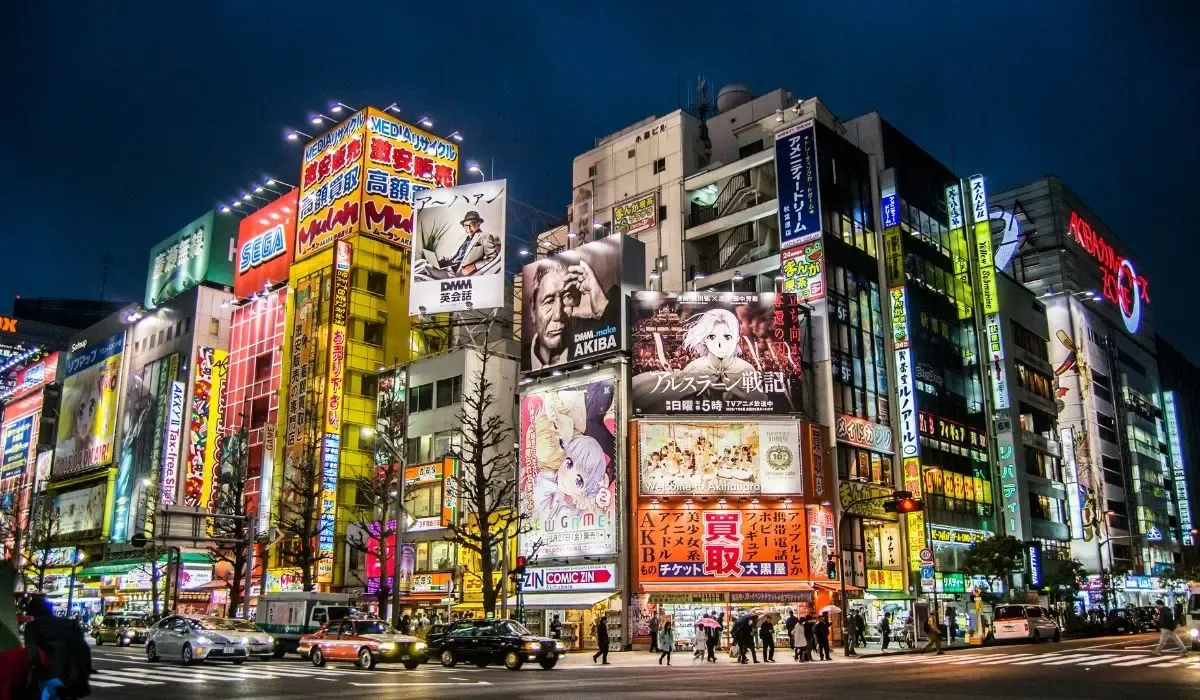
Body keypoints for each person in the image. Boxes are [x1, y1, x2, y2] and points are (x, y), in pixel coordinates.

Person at [524, 255, 613, 371]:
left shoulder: (594, 346)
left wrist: (601, 307)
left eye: (568, 296)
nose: (557, 315)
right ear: (533, 309)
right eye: (548, 301)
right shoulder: (521, 363)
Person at [22, 596, 91, 699]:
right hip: (73, 680)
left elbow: (32, 655)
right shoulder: (70, 625)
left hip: (47, 682)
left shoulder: (32, 627)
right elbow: (84, 651)